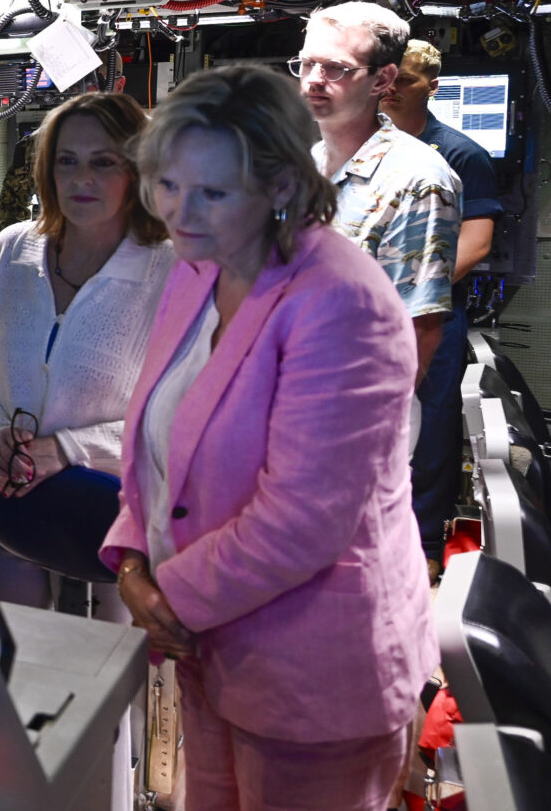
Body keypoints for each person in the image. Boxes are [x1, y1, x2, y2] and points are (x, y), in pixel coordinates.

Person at [105, 66, 435, 811]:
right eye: (166, 184)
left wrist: (168, 597)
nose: (178, 212)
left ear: (282, 186)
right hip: (217, 649)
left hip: (314, 676)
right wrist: (131, 560)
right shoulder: (202, 264)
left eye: (212, 192)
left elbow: (302, 521)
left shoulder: (340, 299)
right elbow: (161, 442)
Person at [0, 92, 173, 619]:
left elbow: (184, 412)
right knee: (4, 666)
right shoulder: (11, 250)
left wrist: (69, 449)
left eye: (103, 162)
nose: (81, 179)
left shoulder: (172, 271)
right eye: (67, 161)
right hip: (3, 497)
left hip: (113, 513)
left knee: (108, 685)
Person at [383, 39, 504, 567]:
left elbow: (476, 244)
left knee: (430, 427)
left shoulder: (458, 153)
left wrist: (411, 293)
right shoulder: (368, 148)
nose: (391, 91)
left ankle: (425, 544)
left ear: (432, 87)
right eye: (387, 79)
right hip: (366, 315)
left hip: (428, 314)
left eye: (405, 81)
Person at [296, 2, 460, 383]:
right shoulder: (305, 165)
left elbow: (419, 330)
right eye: (307, 64)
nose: (314, 79)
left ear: (382, 80)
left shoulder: (418, 180)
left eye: (335, 68)